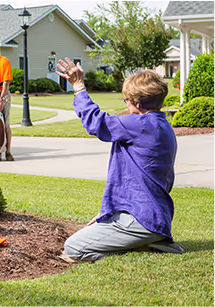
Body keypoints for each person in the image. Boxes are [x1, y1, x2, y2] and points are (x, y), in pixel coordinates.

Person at [56, 58, 186, 263]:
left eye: (126, 99)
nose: (125, 103)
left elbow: (95, 122)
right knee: (92, 233)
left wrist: (78, 86)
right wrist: (106, 216)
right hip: (154, 216)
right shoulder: (162, 125)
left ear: (138, 103)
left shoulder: (139, 124)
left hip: (140, 219)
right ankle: (150, 241)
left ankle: (141, 243)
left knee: (73, 247)